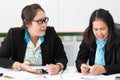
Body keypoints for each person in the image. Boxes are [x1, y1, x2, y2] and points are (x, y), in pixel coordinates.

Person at [0, 3, 68, 75]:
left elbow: (63, 58)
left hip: (45, 77)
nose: (44, 24)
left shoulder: (51, 33)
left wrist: (58, 67)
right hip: (21, 76)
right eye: (39, 21)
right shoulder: (14, 34)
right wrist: (18, 65)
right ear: (27, 23)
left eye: (45, 20)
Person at [75, 9, 120, 75]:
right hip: (94, 77)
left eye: (103, 29)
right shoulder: (88, 36)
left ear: (110, 27)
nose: (99, 33)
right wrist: (82, 66)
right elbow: (80, 59)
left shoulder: (118, 38)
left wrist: (104, 69)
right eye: (95, 29)